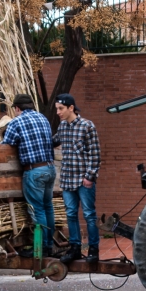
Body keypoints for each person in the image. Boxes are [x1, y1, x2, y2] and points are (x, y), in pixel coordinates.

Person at [1, 94, 56, 257]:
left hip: (33, 171)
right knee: (48, 207)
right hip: (50, 169)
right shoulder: (43, 118)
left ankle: (41, 248)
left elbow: (6, 147)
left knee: (38, 209)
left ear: (17, 108)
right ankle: (49, 244)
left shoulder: (16, 122)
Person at [52, 94, 102, 264]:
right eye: (57, 109)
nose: (58, 112)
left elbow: (95, 154)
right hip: (67, 179)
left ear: (71, 108)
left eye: (61, 108)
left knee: (89, 214)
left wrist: (90, 176)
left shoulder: (87, 126)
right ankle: (74, 248)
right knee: (71, 214)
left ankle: (93, 250)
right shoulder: (62, 127)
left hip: (83, 179)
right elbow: (53, 142)